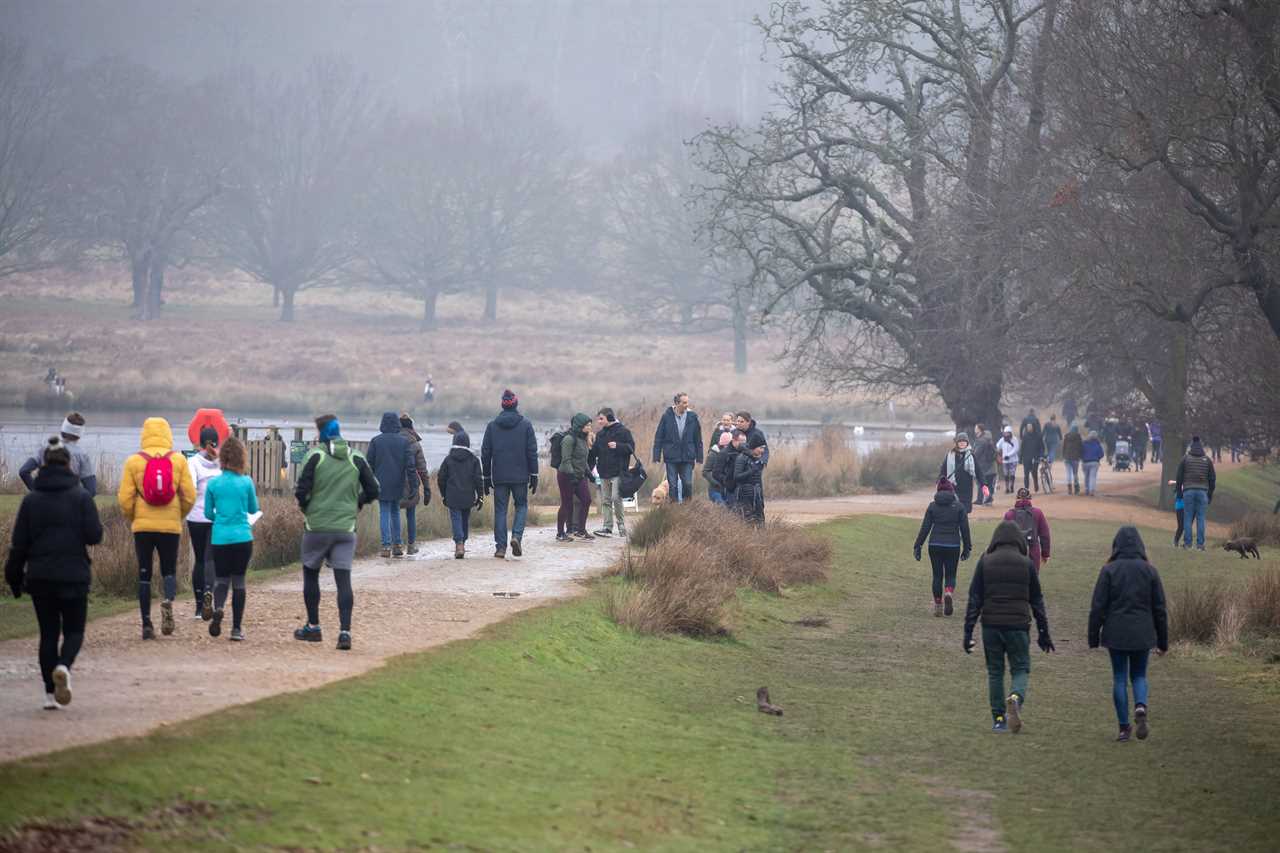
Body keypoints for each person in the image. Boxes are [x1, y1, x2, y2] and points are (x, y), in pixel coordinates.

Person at [4, 437, 103, 710]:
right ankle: (63, 666)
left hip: (40, 577)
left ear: (43, 464)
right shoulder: (82, 497)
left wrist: (14, 580)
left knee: (48, 634)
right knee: (74, 632)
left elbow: (19, 546)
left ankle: (49, 694)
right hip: (74, 575)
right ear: (69, 464)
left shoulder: (32, 501)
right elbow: (95, 535)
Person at [293, 415, 379, 651]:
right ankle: (344, 632)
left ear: (321, 433)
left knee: (311, 574)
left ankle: (314, 627)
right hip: (345, 528)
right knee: (343, 580)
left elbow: (301, 489)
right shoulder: (356, 457)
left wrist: (307, 508)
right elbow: (373, 489)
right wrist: (357, 503)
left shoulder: (316, 456)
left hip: (317, 527)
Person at [963, 521, 1055, 734]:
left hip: (991, 625)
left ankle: (998, 719)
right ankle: (1015, 697)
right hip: (1018, 625)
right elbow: (1037, 601)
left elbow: (974, 597)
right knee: (1020, 668)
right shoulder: (1026, 563)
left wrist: (968, 632)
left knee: (995, 672)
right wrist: (1044, 633)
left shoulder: (985, 561)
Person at [118, 417, 196, 640]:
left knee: (144, 574)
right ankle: (167, 603)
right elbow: (189, 496)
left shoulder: (133, 461)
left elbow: (125, 499)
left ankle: (146, 624)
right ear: (167, 434)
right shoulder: (179, 460)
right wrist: (177, 516)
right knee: (168, 570)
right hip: (170, 527)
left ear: (145, 434)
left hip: (142, 527)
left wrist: (135, 517)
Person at [1088, 526, 1169, 742]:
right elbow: (1160, 609)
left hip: (1116, 633)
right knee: (1140, 675)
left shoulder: (1108, 570)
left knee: (1119, 678)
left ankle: (1124, 728)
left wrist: (1093, 637)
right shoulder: (1150, 571)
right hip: (1143, 633)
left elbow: (1098, 607)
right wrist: (1163, 642)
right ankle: (1140, 705)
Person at [203, 436, 258, 642]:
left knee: (222, 580)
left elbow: (208, 513)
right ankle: (236, 629)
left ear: (222, 458)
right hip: (243, 537)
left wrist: (221, 518)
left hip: (220, 538)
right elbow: (253, 508)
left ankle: (218, 608)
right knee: (239, 582)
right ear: (241, 459)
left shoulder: (213, 484)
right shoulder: (246, 482)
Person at [481, 390, 539, 559]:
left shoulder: (492, 426)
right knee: (521, 506)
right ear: (516, 404)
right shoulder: (526, 425)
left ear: (502, 405)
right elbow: (532, 452)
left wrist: (486, 477)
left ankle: (500, 548)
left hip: (499, 476)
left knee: (500, 511)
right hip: (521, 475)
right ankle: (516, 537)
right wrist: (534, 474)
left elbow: (485, 453)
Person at [913, 477, 972, 617]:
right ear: (952, 490)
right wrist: (967, 547)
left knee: (937, 575)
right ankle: (948, 592)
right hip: (953, 544)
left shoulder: (932, 506)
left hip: (935, 544)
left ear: (938, 490)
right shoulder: (959, 506)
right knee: (950, 575)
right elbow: (965, 529)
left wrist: (918, 545)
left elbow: (925, 527)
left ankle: (938, 605)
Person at [366, 412, 415, 558]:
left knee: (384, 512)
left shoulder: (375, 441)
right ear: (397, 424)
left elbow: (369, 464)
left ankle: (386, 546)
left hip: (380, 482)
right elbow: (410, 466)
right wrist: (413, 485)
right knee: (395, 512)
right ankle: (398, 545)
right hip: (397, 482)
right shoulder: (404, 442)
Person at [186, 427, 222, 621]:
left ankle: (199, 607)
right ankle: (211, 595)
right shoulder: (222, 464)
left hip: (196, 517)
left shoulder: (192, 462)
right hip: (216, 517)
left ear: (200, 443)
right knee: (211, 559)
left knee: (199, 560)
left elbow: (190, 489)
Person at [20, 412, 96, 496]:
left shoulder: (44, 448)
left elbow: (24, 471)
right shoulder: (82, 455)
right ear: (79, 434)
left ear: (63, 428)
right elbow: (91, 490)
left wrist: (37, 492)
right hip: (70, 504)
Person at [588, 408, 635, 537]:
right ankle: (607, 527)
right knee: (606, 500)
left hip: (619, 471)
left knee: (616, 497)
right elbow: (595, 453)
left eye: (601, 418)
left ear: (609, 417)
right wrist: (590, 445)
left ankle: (621, 526)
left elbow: (631, 448)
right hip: (603, 472)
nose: (599, 421)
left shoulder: (624, 431)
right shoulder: (600, 434)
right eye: (598, 419)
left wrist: (618, 446)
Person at [437, 431, 484, 558]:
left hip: (452, 495)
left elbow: (441, 478)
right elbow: (478, 479)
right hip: (468, 496)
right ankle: (462, 542)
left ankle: (459, 544)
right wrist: (480, 497)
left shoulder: (448, 459)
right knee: (464, 519)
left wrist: (443, 494)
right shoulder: (474, 460)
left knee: (456, 519)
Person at [652, 392, 703, 503]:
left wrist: (699, 457)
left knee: (687, 483)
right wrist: (656, 456)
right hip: (671, 457)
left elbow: (698, 439)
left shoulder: (693, 417)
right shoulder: (666, 416)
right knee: (673, 485)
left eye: (687, 402)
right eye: (684, 403)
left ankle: (687, 507)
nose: (687, 405)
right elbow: (659, 436)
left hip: (688, 456)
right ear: (676, 403)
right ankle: (674, 508)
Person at [397, 413, 433, 556]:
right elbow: (422, 469)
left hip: (396, 482)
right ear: (411, 426)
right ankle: (411, 545)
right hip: (412, 483)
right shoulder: (415, 444)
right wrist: (427, 487)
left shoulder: (395, 441)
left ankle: (396, 544)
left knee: (395, 513)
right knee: (410, 514)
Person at [556, 413, 593, 542]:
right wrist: (572, 476)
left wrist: (589, 474)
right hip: (566, 475)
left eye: (590, 425)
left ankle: (581, 531)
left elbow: (583, 459)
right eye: (587, 425)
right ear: (579, 425)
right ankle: (560, 533)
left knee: (587, 500)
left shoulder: (583, 439)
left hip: (579, 476)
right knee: (566, 504)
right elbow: (566, 460)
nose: (589, 427)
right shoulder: (568, 439)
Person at [1174, 436, 1216, 551]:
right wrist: (1210, 494)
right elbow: (1212, 479)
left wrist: (1179, 492)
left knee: (1187, 518)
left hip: (1188, 491)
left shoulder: (1185, 459)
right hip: (1202, 492)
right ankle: (1200, 545)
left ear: (1191, 446)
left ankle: (1187, 544)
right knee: (1201, 518)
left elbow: (1179, 477)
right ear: (1201, 447)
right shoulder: (1207, 460)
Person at [1004, 487, 1051, 572]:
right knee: (1033, 582)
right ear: (1030, 498)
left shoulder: (1009, 514)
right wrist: (1045, 554)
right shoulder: (1038, 513)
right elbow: (1045, 535)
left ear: (1017, 498)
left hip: (1014, 555)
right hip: (1033, 553)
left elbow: (1003, 537)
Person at [939, 432, 984, 513]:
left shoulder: (971, 455)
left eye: (964, 441)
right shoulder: (950, 455)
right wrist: (939, 481)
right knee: (953, 507)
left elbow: (978, 470)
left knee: (964, 509)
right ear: (957, 443)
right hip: (953, 486)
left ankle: (962, 524)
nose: (962, 443)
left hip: (966, 487)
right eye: (960, 441)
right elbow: (943, 469)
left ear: (967, 442)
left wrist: (983, 484)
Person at [733, 432, 768, 524]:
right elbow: (736, 477)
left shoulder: (757, 459)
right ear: (754, 447)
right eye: (760, 448)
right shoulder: (742, 458)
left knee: (761, 522)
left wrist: (761, 498)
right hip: (744, 495)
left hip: (756, 494)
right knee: (747, 522)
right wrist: (751, 471)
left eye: (763, 448)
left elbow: (758, 481)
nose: (762, 451)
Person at [716, 430, 745, 509]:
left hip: (743, 488)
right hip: (729, 489)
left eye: (745, 441)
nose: (744, 444)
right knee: (732, 511)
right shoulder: (724, 453)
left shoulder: (745, 453)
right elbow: (716, 473)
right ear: (733, 441)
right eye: (741, 441)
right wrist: (727, 480)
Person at [703, 432, 732, 505]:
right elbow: (705, 472)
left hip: (728, 489)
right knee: (722, 506)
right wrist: (715, 483)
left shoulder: (732, 454)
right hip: (715, 489)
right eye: (727, 445)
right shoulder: (713, 454)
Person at [972, 424, 998, 506]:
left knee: (982, 483)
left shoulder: (981, 440)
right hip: (990, 465)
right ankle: (985, 499)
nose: (974, 429)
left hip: (983, 465)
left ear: (979, 429)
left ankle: (985, 498)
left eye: (975, 428)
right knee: (987, 483)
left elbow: (977, 453)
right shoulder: (988, 439)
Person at [1020, 420, 1043, 493]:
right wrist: (1020, 457)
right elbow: (1022, 447)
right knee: (1026, 474)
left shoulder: (1038, 436)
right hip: (1026, 458)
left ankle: (1036, 483)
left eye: (1030, 427)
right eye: (1027, 427)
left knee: (1034, 472)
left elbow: (1042, 447)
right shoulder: (1025, 436)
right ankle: (1026, 489)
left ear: (1033, 427)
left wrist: (1041, 455)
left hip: (1035, 457)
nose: (1029, 428)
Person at [995, 427, 1020, 494]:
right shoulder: (1002, 440)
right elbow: (998, 445)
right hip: (1005, 460)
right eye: (1005, 433)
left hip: (1013, 460)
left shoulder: (1014, 439)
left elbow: (1016, 449)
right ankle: (1007, 487)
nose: (1006, 434)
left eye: (1008, 433)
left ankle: (1011, 486)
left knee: (1012, 473)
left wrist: (1008, 455)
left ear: (1010, 433)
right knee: (1006, 474)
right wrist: (998, 451)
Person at [1081, 430, 1105, 497]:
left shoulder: (1084, 443)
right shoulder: (1097, 444)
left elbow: (1081, 452)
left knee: (1086, 476)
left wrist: (1083, 457)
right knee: (1093, 477)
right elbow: (1102, 454)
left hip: (1085, 462)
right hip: (1094, 462)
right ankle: (1092, 490)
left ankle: (1086, 489)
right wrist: (1097, 458)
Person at [1061, 424, 1084, 495]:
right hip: (1075, 458)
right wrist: (1080, 456)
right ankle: (1076, 489)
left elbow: (1064, 447)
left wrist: (1064, 456)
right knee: (1075, 474)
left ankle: (1069, 489)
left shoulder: (1066, 436)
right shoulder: (1078, 436)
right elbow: (1081, 447)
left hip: (1067, 457)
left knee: (1068, 473)